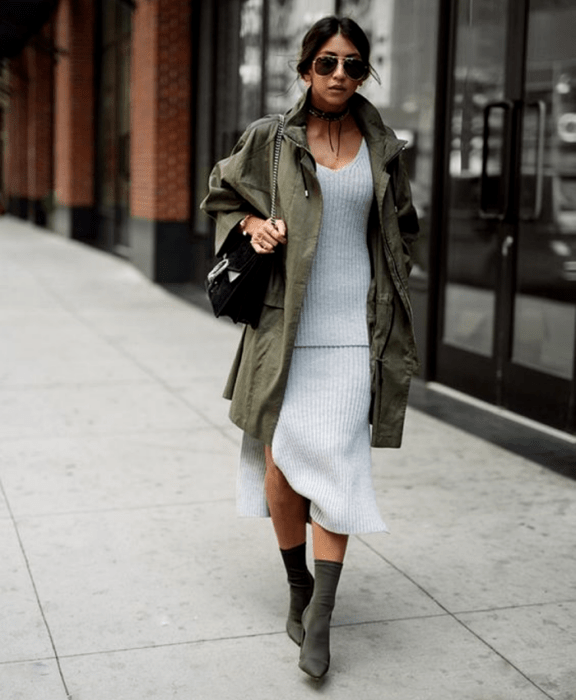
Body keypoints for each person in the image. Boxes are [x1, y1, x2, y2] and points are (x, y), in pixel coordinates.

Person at [201, 15, 419, 680]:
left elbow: (403, 226)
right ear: (304, 70)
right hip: (284, 328)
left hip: (355, 335)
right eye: (327, 63)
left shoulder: (381, 145)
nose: (340, 76)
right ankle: (297, 585)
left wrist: (392, 287)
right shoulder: (269, 139)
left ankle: (320, 615)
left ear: (365, 72)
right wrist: (252, 225)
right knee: (283, 464)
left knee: (340, 466)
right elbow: (220, 193)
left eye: (353, 64)